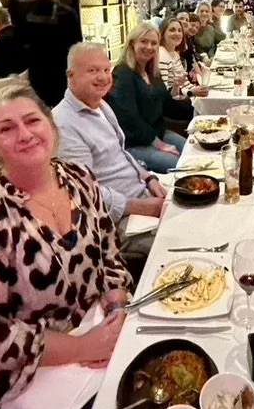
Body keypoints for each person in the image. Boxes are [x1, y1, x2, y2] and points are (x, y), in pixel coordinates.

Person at [0, 78, 132, 409]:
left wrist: (116, 309)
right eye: (7, 128)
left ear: (52, 127)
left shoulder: (80, 179)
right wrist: (83, 348)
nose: (25, 134)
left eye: (32, 120)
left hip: (98, 329)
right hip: (32, 373)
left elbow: (108, 251)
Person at [53, 43, 168, 272]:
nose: (103, 77)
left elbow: (121, 153)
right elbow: (84, 193)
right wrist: (141, 207)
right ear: (71, 76)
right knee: (182, 241)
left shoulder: (100, 105)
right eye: (93, 70)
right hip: (119, 221)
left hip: (142, 194)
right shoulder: (64, 124)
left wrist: (148, 178)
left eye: (106, 70)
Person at [106, 23, 190, 172]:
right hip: (134, 143)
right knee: (182, 165)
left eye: (153, 43)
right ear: (132, 44)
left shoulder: (152, 72)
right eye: (144, 41)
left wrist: (197, 111)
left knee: (193, 152)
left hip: (157, 133)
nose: (149, 47)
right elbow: (130, 119)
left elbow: (168, 105)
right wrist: (159, 144)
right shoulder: (123, 73)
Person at [17, 0, 82, 108]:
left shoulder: (67, 14)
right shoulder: (24, 13)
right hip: (36, 72)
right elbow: (20, 41)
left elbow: (76, 46)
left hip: (60, 72)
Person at [158, 17, 208, 98]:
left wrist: (197, 90)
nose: (177, 33)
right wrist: (191, 93)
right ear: (162, 34)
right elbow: (164, 93)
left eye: (179, 30)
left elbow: (184, 83)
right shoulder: (161, 55)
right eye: (172, 30)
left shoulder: (175, 54)